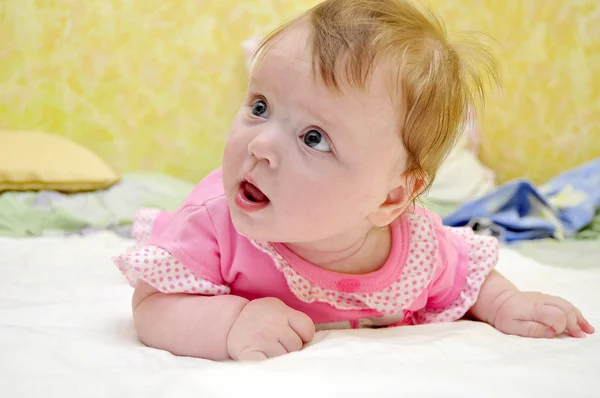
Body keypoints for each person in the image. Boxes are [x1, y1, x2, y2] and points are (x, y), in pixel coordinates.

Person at [113, 0, 594, 361]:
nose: (260, 145)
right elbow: (153, 304)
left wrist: (507, 303)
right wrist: (230, 323)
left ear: (391, 198)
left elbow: (468, 276)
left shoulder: (413, 250)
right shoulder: (216, 225)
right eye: (260, 107)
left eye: (315, 138)